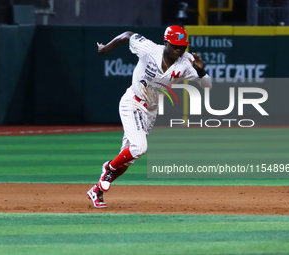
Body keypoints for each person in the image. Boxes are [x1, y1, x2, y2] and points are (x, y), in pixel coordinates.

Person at [87, 25, 212, 208]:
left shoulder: (187, 62)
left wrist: (200, 70)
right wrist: (106, 48)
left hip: (151, 111)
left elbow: (208, 86)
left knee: (128, 158)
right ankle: (108, 168)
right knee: (139, 148)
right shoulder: (150, 49)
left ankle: (97, 190)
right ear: (166, 42)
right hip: (133, 102)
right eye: (175, 45)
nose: (179, 49)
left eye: (183, 45)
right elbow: (128, 35)